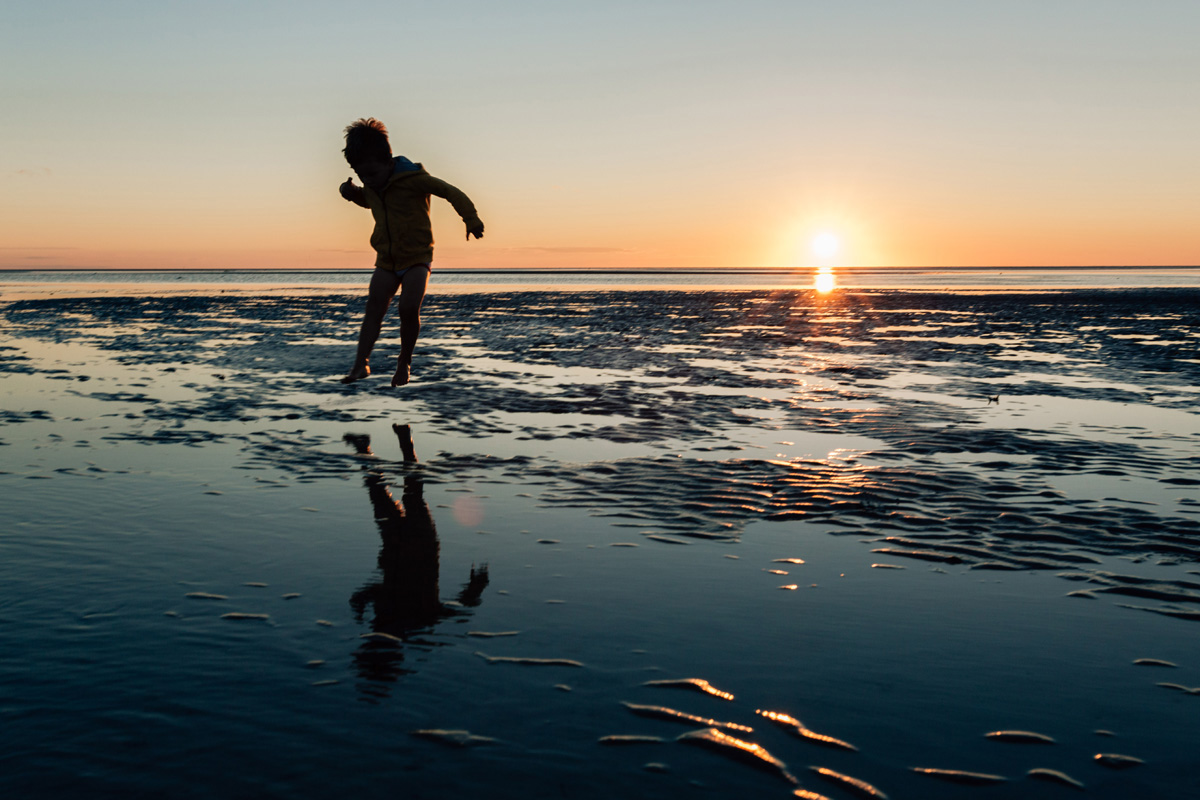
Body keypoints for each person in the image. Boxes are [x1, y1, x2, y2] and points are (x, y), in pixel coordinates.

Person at [337, 118, 484, 386]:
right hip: (386, 261)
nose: (368, 180)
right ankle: (361, 364)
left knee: (407, 308)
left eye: (371, 174)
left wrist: (471, 219)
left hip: (417, 258)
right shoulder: (372, 185)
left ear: (388, 161)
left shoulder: (414, 180)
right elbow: (369, 202)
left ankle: (404, 362)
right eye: (361, 175)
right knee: (374, 308)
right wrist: (350, 192)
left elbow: (451, 192)